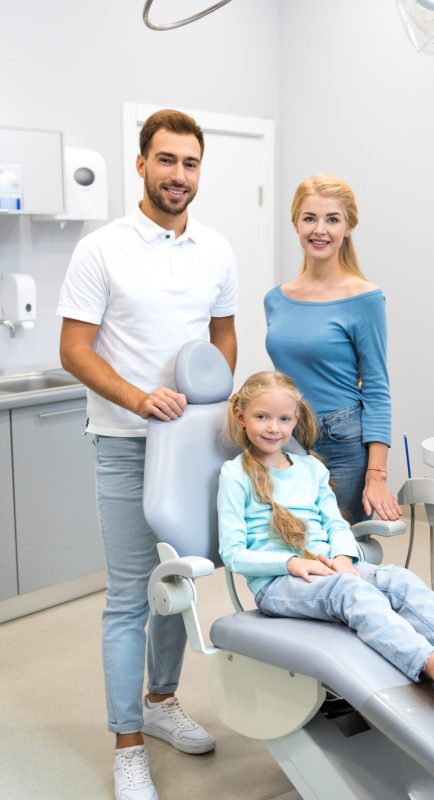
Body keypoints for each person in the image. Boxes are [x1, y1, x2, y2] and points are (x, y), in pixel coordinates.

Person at [57, 109, 238, 800]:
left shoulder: (216, 250)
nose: (179, 176)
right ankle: (126, 744)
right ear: (141, 164)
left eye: (190, 164)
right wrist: (139, 399)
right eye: (167, 161)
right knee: (130, 599)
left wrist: (210, 401)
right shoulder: (102, 249)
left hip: (192, 450)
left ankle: (162, 704)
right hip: (126, 445)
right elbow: (74, 350)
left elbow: (224, 337)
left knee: (178, 587)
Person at [217, 370, 434, 716]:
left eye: (283, 418)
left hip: (331, 567)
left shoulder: (310, 469)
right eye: (262, 417)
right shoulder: (235, 475)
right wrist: (291, 564)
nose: (273, 428)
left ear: (296, 419)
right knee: (350, 594)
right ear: (241, 417)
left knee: (397, 579)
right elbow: (232, 554)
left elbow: (335, 524)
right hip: (278, 583)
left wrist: (345, 558)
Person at [264, 173, 401, 524]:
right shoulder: (276, 300)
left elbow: (376, 387)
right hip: (286, 438)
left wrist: (377, 475)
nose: (319, 230)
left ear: (348, 227)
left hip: (341, 441)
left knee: (336, 553)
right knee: (292, 548)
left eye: (332, 219)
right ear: (296, 223)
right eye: (310, 218)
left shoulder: (364, 298)